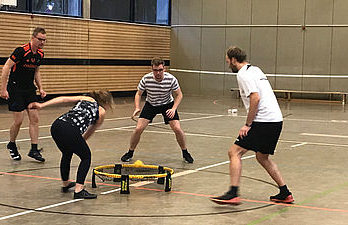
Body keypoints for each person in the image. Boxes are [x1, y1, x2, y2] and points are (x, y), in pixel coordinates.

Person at [211, 46, 294, 205]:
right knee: (262, 157)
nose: (227, 63)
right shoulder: (255, 69)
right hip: (276, 120)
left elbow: (255, 98)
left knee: (234, 152)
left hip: (264, 121)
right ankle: (285, 193)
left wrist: (248, 124)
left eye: (228, 61)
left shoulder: (243, 74)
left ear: (234, 60)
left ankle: (233, 193)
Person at [28, 91, 113, 199]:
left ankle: (65, 184)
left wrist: (42, 105)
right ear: (105, 102)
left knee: (67, 152)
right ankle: (79, 190)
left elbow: (63, 99)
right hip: (70, 129)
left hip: (57, 125)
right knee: (86, 156)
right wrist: (80, 141)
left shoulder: (87, 99)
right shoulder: (101, 111)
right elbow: (91, 130)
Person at [120, 57, 194, 163]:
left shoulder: (171, 79)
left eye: (160, 70)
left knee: (177, 129)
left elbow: (179, 95)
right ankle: (130, 152)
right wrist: (137, 107)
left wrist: (173, 109)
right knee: (138, 129)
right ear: (152, 69)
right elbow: (138, 93)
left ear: (164, 69)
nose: (158, 73)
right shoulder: (146, 79)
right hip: (151, 104)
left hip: (167, 104)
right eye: (155, 70)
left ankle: (185, 152)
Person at [0, 27, 47, 162]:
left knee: (35, 118)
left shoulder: (40, 54)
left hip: (29, 90)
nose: (42, 43)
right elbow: (6, 67)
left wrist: (41, 88)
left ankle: (34, 149)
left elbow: (36, 72)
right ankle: (12, 144)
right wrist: (4, 89)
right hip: (15, 89)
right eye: (40, 40)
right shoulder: (21, 51)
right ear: (33, 38)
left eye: (44, 40)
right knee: (18, 121)